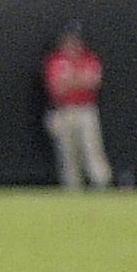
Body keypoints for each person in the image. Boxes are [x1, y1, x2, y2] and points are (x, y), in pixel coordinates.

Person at [40, 20, 111, 191]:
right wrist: (78, 80)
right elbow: (56, 87)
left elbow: (94, 82)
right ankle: (72, 188)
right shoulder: (55, 60)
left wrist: (71, 81)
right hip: (63, 110)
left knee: (92, 148)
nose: (72, 43)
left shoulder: (89, 58)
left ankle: (101, 185)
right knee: (67, 153)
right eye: (68, 39)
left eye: (75, 39)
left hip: (86, 109)